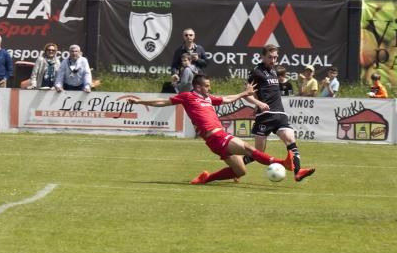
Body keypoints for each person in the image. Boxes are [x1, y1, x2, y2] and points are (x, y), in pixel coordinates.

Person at [121, 74, 295, 185]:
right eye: (207, 86)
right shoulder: (188, 97)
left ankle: (206, 178)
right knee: (249, 148)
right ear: (198, 87)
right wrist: (139, 101)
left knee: (240, 171)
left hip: (216, 139)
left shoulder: (208, 98)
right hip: (216, 136)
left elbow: (226, 99)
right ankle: (282, 163)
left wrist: (243, 94)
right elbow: (163, 102)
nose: (209, 88)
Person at [244, 44, 316, 182]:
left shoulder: (274, 71)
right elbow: (246, 94)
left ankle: (298, 171)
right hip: (265, 117)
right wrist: (258, 104)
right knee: (258, 153)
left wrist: (259, 100)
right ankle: (237, 167)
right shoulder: (256, 72)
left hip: (280, 114)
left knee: (290, 139)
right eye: (270, 57)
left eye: (275, 57)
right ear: (262, 56)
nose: (273, 60)